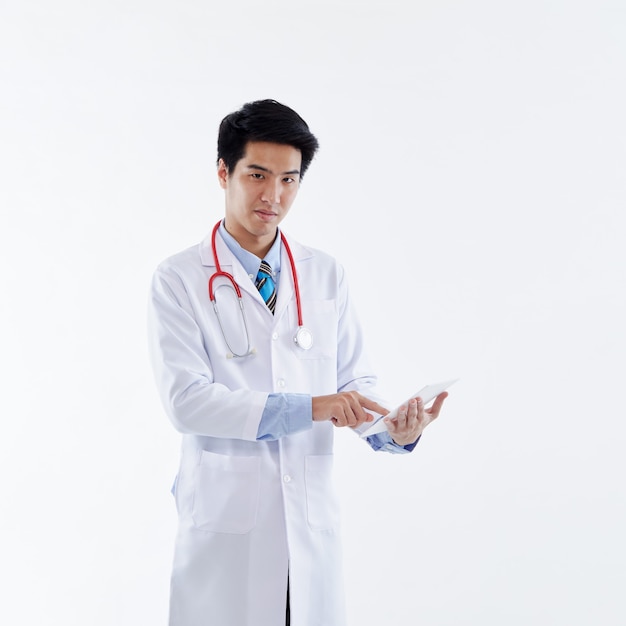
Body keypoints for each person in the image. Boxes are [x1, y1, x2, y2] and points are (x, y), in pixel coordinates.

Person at [147, 99, 448, 626]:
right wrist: (311, 407)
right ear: (224, 172)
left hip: (307, 521)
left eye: (289, 179)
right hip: (227, 524)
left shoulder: (325, 274)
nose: (274, 196)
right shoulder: (178, 279)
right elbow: (187, 403)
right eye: (257, 175)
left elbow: (354, 381)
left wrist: (392, 428)